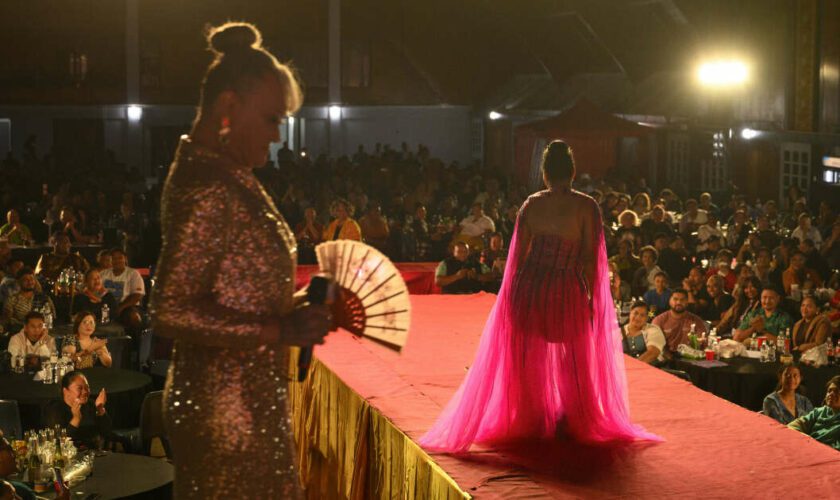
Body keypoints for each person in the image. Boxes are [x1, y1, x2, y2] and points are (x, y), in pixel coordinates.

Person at [151, 22, 332, 498]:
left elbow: (235, 290)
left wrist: (294, 306)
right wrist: (280, 331)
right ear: (228, 108)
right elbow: (168, 307)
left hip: (244, 401)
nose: (277, 136)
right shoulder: (209, 184)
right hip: (226, 414)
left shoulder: (226, 173)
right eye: (273, 119)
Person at [419, 140, 658, 453]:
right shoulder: (587, 207)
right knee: (573, 358)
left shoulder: (531, 205)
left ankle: (529, 419)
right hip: (567, 288)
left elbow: (516, 258)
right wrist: (591, 300)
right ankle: (575, 418)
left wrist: (510, 296)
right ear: (572, 172)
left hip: (530, 287)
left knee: (528, 357)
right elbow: (590, 260)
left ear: (545, 174)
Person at [43, 371, 111, 450]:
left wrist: (100, 409)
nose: (85, 391)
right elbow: (59, 443)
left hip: (93, 452)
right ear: (66, 391)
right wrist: (76, 419)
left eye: (87, 387)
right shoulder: (54, 409)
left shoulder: (91, 404)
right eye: (79, 388)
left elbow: (107, 432)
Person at [788, 376, 840, 451]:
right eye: (829, 391)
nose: (831, 394)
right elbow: (796, 425)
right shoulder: (819, 412)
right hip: (807, 449)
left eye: (837, 391)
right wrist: (804, 439)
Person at [651, 289, 708, 357]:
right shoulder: (659, 320)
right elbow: (654, 345)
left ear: (687, 302)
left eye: (682, 300)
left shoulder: (696, 320)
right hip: (666, 359)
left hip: (691, 358)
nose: (678, 302)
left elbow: (703, 342)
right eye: (675, 299)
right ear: (669, 301)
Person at [99, 248, 145, 330]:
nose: (117, 261)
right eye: (114, 258)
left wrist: (121, 308)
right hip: (105, 307)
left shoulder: (133, 274)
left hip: (127, 307)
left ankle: (136, 341)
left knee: (134, 317)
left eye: (120, 258)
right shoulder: (103, 274)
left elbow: (137, 295)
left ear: (125, 259)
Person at [2, 267, 55, 334]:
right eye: (25, 280)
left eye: (31, 279)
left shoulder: (44, 298)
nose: (30, 282)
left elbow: (52, 318)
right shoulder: (13, 300)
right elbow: (7, 321)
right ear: (18, 281)